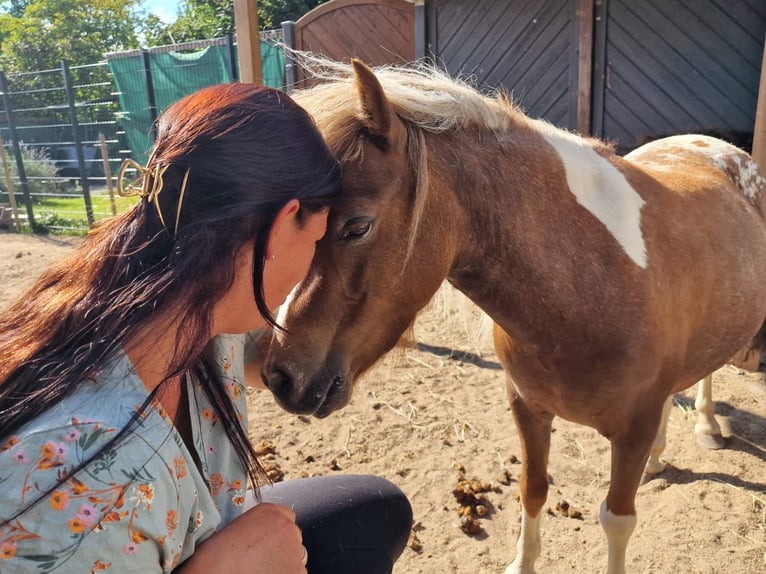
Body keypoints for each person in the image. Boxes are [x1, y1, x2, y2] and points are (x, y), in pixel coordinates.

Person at [0, 83, 412, 573]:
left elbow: (281, 356)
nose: (308, 273)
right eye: (317, 241)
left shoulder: (179, 303)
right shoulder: (79, 493)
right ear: (284, 224)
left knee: (372, 508)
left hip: (208, 524)